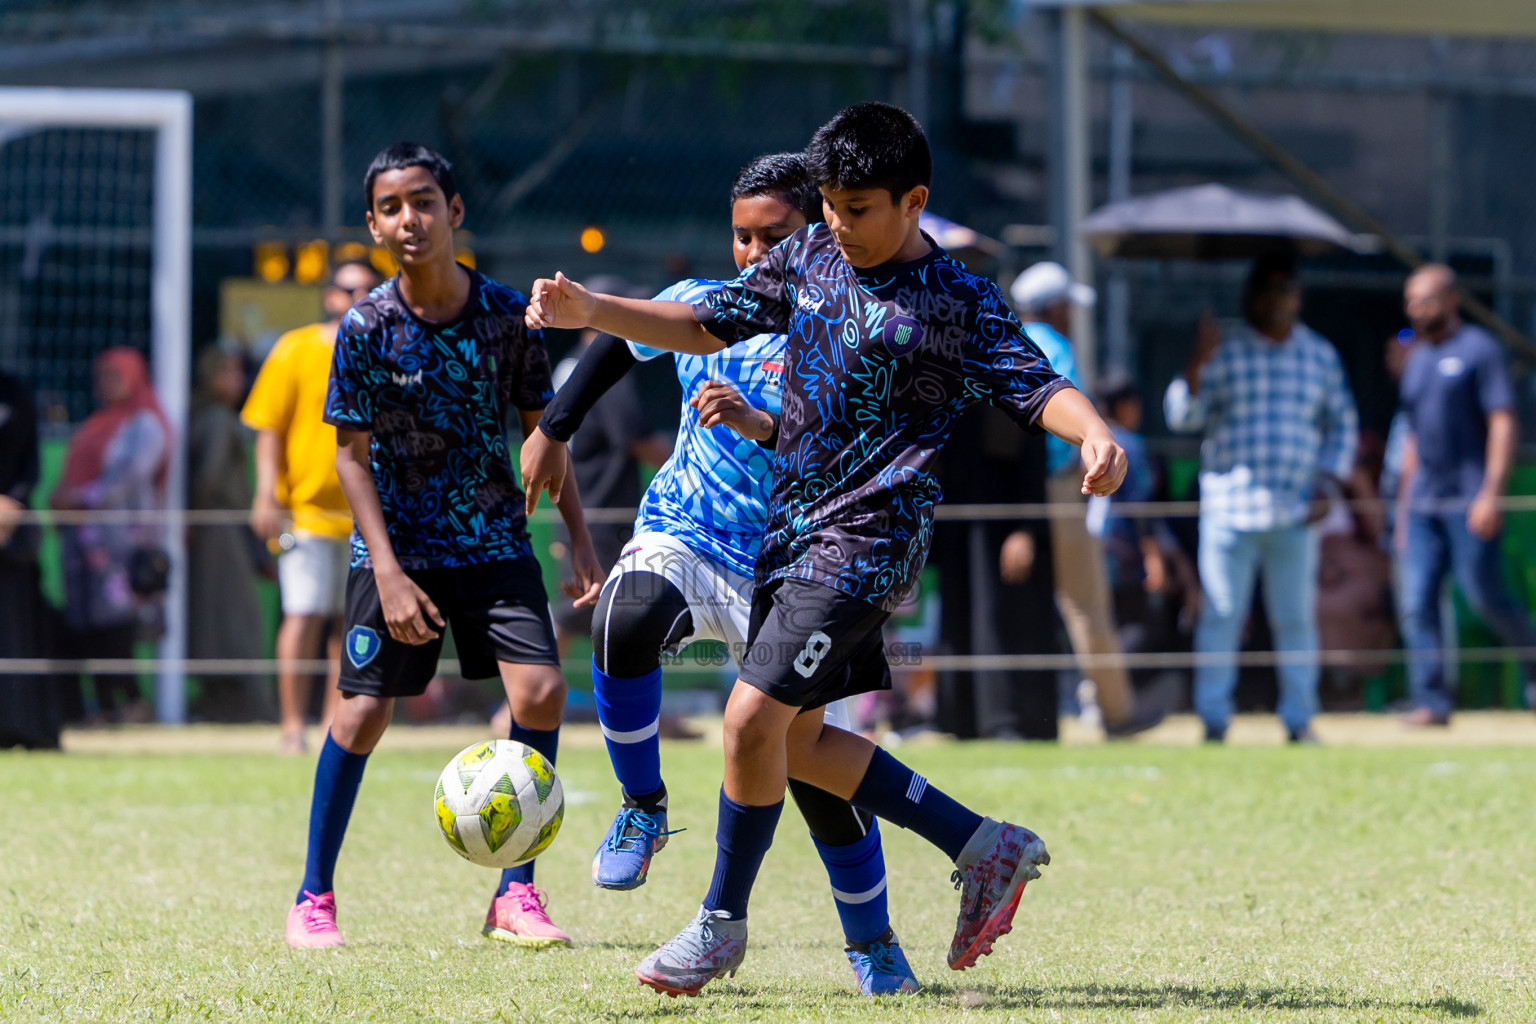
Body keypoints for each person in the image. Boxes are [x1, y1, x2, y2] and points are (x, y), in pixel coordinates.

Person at [524, 102, 1126, 995]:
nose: (839, 225)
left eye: (859, 207)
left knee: (746, 722)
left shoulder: (955, 300)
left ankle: (719, 926)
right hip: (790, 537)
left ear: (914, 200)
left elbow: (1036, 384)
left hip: (869, 543)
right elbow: (703, 323)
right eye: (833, 206)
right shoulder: (809, 259)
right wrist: (591, 308)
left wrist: (1095, 433)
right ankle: (982, 845)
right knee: (799, 748)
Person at [521, 152, 920, 994]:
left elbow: (855, 451)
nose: (750, 252)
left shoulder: (845, 321)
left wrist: (764, 421)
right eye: (740, 234)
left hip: (790, 563)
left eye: (769, 234)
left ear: (815, 227)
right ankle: (643, 807)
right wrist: (554, 429)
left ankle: (874, 944)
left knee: (809, 770)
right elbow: (618, 345)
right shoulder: (712, 302)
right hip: (687, 533)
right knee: (624, 618)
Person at [285, 143, 604, 950]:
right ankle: (312, 896)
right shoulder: (364, 327)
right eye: (392, 207)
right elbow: (350, 456)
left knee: (539, 697)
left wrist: (578, 539)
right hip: (397, 550)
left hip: (494, 540)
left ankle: (516, 893)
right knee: (360, 715)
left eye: (423, 201)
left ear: (455, 211)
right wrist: (386, 570)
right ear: (373, 224)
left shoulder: (505, 316)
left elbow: (546, 436)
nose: (409, 219)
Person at [1164, 251, 1359, 743]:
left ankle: (1299, 719)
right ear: (1251, 298)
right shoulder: (1225, 351)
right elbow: (1182, 418)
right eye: (1267, 290)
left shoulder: (1320, 354)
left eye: (1286, 290)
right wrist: (1195, 362)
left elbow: (1344, 425)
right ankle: (1213, 719)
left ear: (1298, 298)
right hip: (1230, 509)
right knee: (1221, 616)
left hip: (1296, 510)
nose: (1277, 300)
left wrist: (1329, 483)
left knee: (1295, 620)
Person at [1010, 262, 1162, 736]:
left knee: (1023, 603)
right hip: (1056, 487)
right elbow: (1066, 427)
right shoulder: (1058, 348)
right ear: (1055, 306)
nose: (1073, 314)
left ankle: (1014, 710)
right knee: (1086, 601)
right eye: (1068, 305)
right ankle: (1116, 711)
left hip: (1009, 494)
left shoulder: (1003, 339)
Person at [244, 258, 383, 752]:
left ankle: (333, 727)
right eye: (348, 290)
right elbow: (267, 427)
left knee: (349, 629)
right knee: (302, 616)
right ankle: (291, 726)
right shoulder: (295, 349)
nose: (356, 298)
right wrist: (267, 491)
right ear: (329, 295)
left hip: (369, 518)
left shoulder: (389, 351)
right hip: (303, 515)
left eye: (368, 289)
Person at [1395, 263, 1536, 726]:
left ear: (1451, 299)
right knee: (1418, 601)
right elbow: (1412, 437)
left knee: (1483, 596)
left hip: (1470, 498)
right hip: (1424, 502)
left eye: (1426, 299)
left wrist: (1491, 492)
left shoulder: (1480, 350)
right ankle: (1431, 701)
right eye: (1411, 301)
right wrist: (1402, 506)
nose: (1417, 310)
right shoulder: (1415, 361)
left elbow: (1502, 420)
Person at [53, 347, 172, 725]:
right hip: (84, 542)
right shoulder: (96, 423)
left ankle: (132, 701)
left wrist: (82, 498)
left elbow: (132, 473)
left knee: (117, 626)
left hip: (122, 543)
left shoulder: (145, 423)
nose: (106, 383)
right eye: (101, 375)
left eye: (115, 375)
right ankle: (104, 704)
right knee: (87, 624)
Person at [187, 345, 273, 722]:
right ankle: (243, 703)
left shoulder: (206, 417)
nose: (237, 381)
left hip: (218, 529)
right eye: (228, 372)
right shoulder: (220, 420)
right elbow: (210, 478)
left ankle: (225, 698)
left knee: (219, 615)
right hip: (221, 530)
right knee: (233, 617)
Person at [0, 368, 58, 749]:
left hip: (8, 532)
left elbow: (29, 464)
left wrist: (10, 506)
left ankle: (19, 727)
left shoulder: (14, 390)